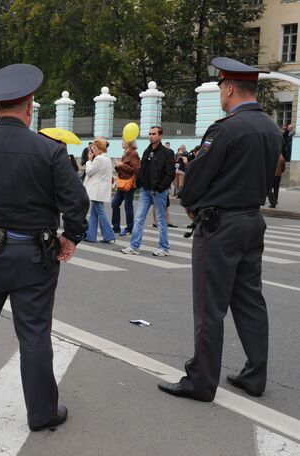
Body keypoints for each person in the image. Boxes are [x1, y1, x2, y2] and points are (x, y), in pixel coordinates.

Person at [0, 63, 89, 431]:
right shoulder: (49, 150)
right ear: (29, 106)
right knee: (34, 334)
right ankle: (41, 414)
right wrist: (70, 236)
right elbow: (76, 201)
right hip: (33, 257)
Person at [158, 57, 283, 402]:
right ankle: (255, 376)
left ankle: (200, 381)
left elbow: (197, 175)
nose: (220, 97)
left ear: (229, 88)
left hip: (220, 225)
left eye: (220, 90)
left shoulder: (226, 128)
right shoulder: (272, 127)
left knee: (209, 307)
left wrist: (187, 199)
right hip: (252, 221)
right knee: (250, 301)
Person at [121, 126, 175, 257]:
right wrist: (139, 183)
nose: (151, 136)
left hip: (158, 191)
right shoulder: (147, 151)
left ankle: (164, 248)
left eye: (154, 134)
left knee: (161, 220)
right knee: (139, 218)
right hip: (145, 190)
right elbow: (141, 168)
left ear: (160, 136)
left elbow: (170, 173)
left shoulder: (167, 153)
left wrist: (161, 187)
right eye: (150, 134)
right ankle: (134, 246)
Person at [83, 137, 115, 243]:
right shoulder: (107, 158)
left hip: (96, 190)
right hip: (101, 190)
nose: (93, 150)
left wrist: (88, 160)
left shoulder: (99, 159)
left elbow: (89, 171)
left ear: (100, 149)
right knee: (94, 213)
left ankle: (109, 235)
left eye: (94, 148)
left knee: (100, 212)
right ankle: (91, 235)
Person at [111, 140, 140, 237]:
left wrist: (122, 165)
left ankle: (129, 228)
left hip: (129, 183)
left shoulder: (133, 153)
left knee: (128, 206)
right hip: (122, 182)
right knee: (115, 204)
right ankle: (116, 227)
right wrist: (117, 166)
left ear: (129, 143)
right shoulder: (125, 154)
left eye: (123, 141)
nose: (121, 142)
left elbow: (135, 169)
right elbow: (124, 168)